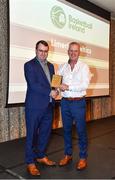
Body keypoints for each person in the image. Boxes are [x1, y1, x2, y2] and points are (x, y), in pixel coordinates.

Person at [24, 40, 58, 176]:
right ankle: (30, 162)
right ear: (36, 50)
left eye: (45, 51)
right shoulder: (29, 65)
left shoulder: (50, 66)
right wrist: (50, 92)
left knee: (45, 133)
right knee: (32, 135)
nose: (43, 53)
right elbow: (33, 85)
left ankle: (41, 155)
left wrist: (56, 90)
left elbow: (54, 83)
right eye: (40, 50)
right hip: (34, 106)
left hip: (48, 105)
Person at [58, 42, 91, 170]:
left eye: (75, 51)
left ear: (79, 53)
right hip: (65, 102)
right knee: (66, 130)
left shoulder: (84, 67)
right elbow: (57, 83)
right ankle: (68, 155)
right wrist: (56, 89)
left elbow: (84, 85)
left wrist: (68, 87)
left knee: (81, 131)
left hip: (78, 103)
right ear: (68, 51)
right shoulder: (61, 67)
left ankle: (82, 157)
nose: (73, 53)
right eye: (71, 50)